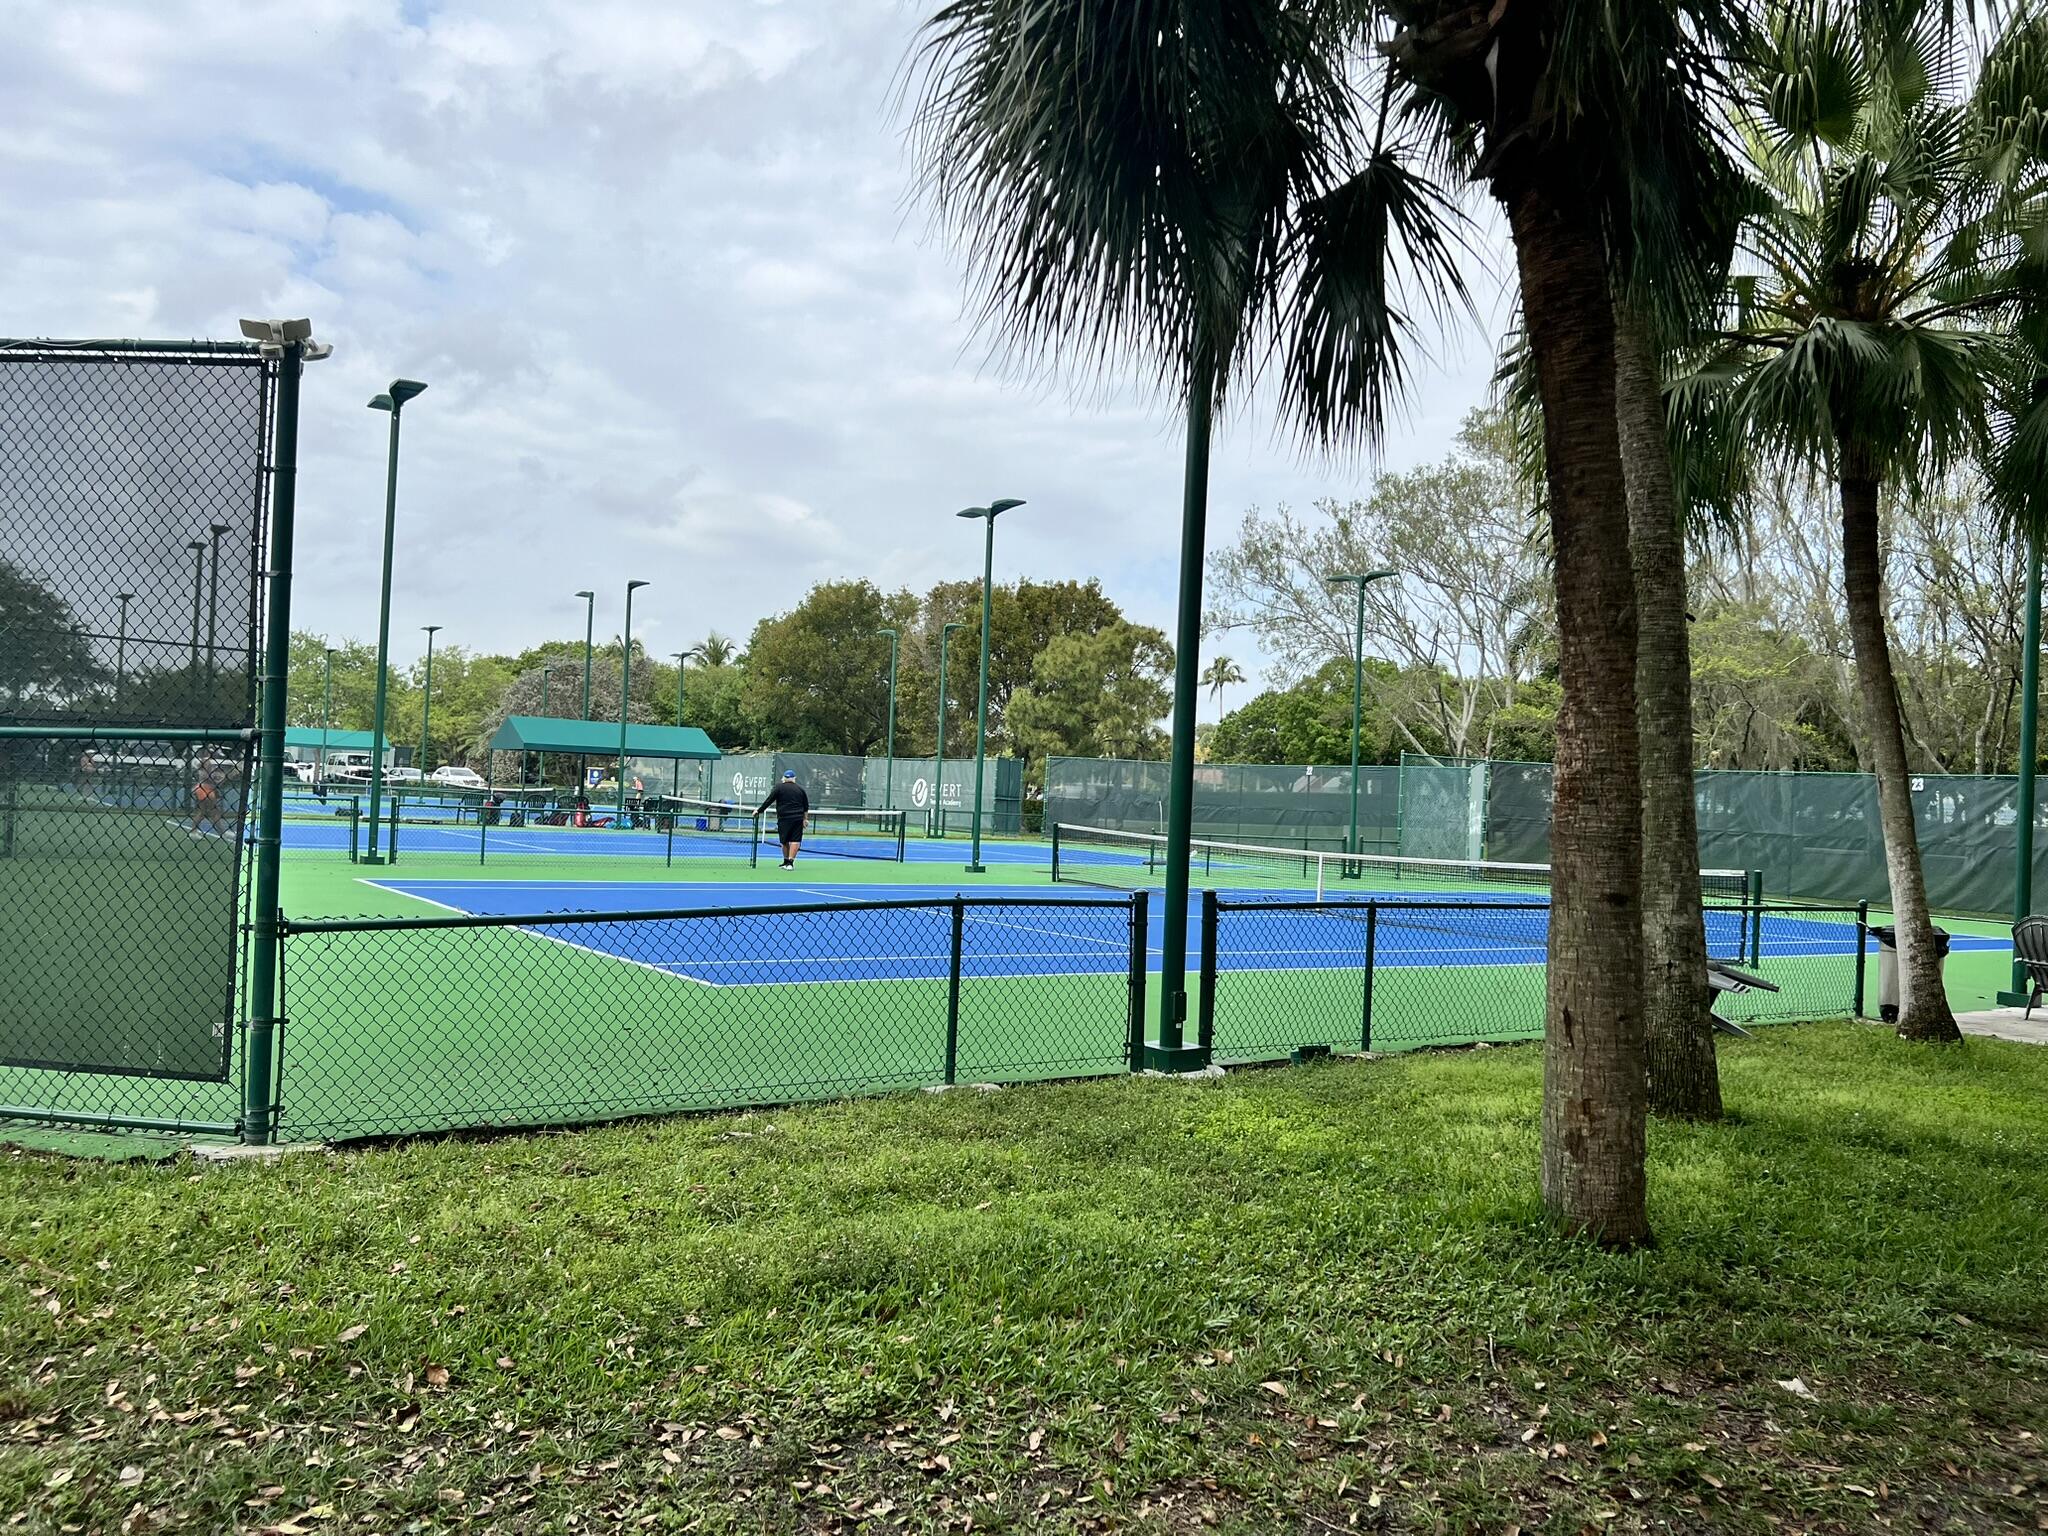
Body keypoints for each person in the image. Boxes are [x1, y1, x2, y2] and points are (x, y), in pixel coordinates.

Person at [756, 768, 809, 869]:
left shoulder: (778, 788)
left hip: (784, 819)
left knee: (784, 841)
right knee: (795, 840)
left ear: (784, 778)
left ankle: (788, 862)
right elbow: (806, 807)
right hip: (797, 818)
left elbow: (769, 800)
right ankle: (788, 862)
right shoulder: (800, 789)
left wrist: (759, 811)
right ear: (794, 779)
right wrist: (805, 819)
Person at [190, 750, 226, 839]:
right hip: (204, 789)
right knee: (204, 812)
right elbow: (206, 776)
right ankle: (193, 831)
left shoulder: (206, 762)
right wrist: (217, 778)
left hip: (207, 789)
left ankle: (222, 832)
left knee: (212, 812)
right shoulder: (206, 761)